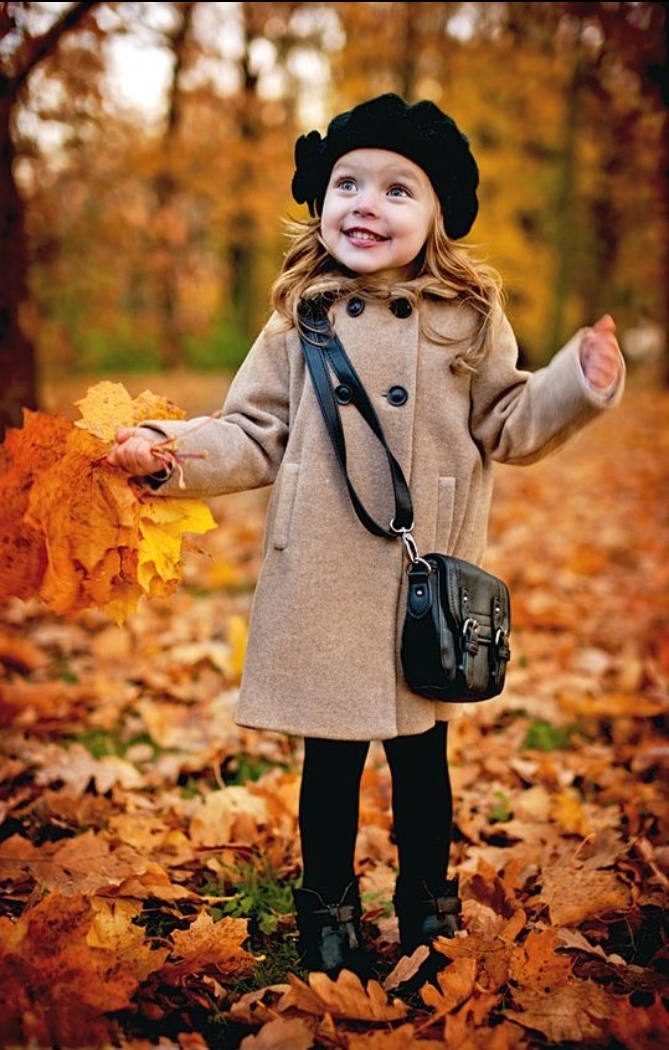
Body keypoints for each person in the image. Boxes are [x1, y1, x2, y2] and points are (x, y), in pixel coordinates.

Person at [107, 93, 625, 979]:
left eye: (396, 190)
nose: (364, 204)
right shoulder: (299, 319)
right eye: (347, 184)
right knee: (331, 763)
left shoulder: (467, 317)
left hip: (423, 586)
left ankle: (426, 905)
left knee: (422, 762)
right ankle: (327, 912)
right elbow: (251, 431)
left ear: (435, 218)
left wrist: (574, 383)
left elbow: (507, 421)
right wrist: (168, 455)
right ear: (320, 204)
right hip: (323, 574)